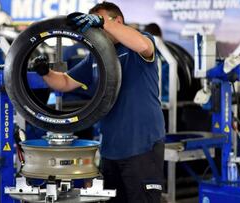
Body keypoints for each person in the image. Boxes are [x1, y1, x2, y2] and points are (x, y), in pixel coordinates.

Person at [31, 2, 165, 203]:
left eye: (98, 25)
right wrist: (45, 72)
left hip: (142, 145)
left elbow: (144, 46)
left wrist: (103, 22)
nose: (95, 31)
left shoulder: (139, 45)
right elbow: (65, 82)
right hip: (111, 149)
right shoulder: (98, 57)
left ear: (117, 21)